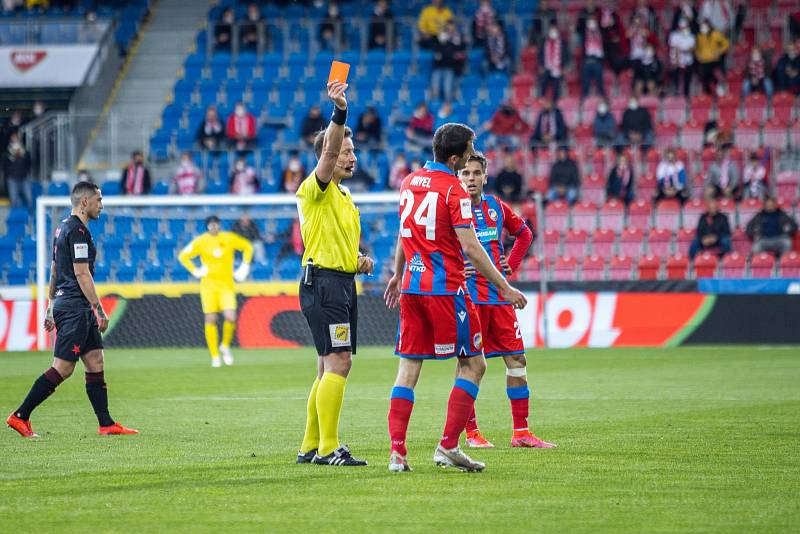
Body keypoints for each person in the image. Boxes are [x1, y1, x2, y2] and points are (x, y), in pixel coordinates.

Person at [383, 123, 528, 473]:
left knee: (407, 371)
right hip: (447, 291)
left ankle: (397, 454)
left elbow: (405, 234)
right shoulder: (454, 190)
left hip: (412, 290)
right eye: (468, 150)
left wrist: (399, 273)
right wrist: (504, 287)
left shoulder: (408, 183)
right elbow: (472, 248)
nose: (471, 155)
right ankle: (448, 446)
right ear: (454, 157)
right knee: (474, 365)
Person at [6, 182, 138, 438]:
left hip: (72, 305)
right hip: (77, 308)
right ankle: (20, 415)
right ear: (85, 202)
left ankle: (106, 423)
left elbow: (56, 269)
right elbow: (81, 272)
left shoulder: (62, 227)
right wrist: (98, 308)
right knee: (64, 368)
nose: (102, 205)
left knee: (95, 360)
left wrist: (50, 306)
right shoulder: (77, 230)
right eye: (99, 200)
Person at [295, 80, 374, 467]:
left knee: (328, 363)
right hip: (324, 285)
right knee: (339, 361)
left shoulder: (343, 197)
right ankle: (329, 448)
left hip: (339, 282)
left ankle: (311, 445)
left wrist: (357, 259)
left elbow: (334, 241)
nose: (351, 156)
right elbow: (327, 150)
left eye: (353, 150)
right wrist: (339, 113)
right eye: (345, 150)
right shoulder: (317, 187)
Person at [458, 151, 554, 449]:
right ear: (458, 176)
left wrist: (511, 263)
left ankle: (521, 433)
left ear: (485, 177)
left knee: (517, 360)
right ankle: (472, 435)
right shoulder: (453, 209)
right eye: (466, 174)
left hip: (499, 299)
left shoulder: (496, 207)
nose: (471, 179)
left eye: (476, 173)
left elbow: (524, 234)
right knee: (468, 366)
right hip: (469, 300)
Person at [178, 215, 253, 367]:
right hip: (208, 286)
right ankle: (214, 356)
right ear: (207, 227)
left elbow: (248, 247)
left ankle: (225, 346)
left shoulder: (229, 238)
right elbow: (183, 256)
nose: (214, 227)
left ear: (219, 225)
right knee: (211, 319)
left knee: (230, 317)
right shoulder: (201, 241)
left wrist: (244, 265)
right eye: (211, 225)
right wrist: (195, 270)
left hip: (226, 285)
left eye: (216, 225)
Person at [431, 20, 466, 102]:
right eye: (449, 28)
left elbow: (458, 51)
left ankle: (448, 106)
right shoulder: (440, 37)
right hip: (438, 66)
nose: (450, 29)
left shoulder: (457, 39)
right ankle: (435, 106)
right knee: (435, 88)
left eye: (452, 28)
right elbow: (438, 50)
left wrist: (449, 51)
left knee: (448, 89)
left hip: (450, 67)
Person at [694, 19, 729, 95]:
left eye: (704, 26)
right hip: (703, 62)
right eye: (702, 26)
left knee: (716, 77)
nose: (703, 28)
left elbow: (726, 44)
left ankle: (720, 90)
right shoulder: (699, 36)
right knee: (704, 80)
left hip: (714, 60)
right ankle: (707, 96)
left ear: (709, 26)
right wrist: (698, 55)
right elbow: (697, 48)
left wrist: (719, 51)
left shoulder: (715, 34)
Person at [538, 22, 569, 100]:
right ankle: (541, 99)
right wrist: (541, 66)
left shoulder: (562, 42)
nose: (553, 33)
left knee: (556, 86)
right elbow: (540, 54)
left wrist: (563, 68)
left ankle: (555, 102)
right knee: (543, 82)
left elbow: (566, 56)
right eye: (551, 31)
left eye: (554, 31)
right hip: (546, 67)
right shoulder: (544, 41)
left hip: (557, 68)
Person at [2, 131, 32, 209]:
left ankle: (30, 217)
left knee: (29, 198)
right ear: (11, 139)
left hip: (24, 178)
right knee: (14, 200)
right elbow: (4, 165)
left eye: (17, 138)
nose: (15, 139)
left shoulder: (25, 151)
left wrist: (23, 155)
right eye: (14, 137)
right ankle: (15, 217)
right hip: (12, 179)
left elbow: (29, 162)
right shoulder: (7, 152)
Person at [669, 18, 696, 97]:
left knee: (687, 77)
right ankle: (676, 91)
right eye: (681, 27)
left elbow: (692, 48)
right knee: (676, 76)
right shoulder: (674, 35)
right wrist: (676, 60)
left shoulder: (691, 35)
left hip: (688, 60)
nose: (683, 29)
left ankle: (686, 94)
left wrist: (684, 50)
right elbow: (675, 48)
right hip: (677, 60)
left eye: (685, 27)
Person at [581, 16, 607, 98]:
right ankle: (584, 98)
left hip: (597, 60)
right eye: (590, 22)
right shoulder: (584, 32)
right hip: (587, 60)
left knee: (600, 82)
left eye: (593, 22)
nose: (591, 24)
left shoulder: (600, 33)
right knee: (586, 83)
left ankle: (602, 97)